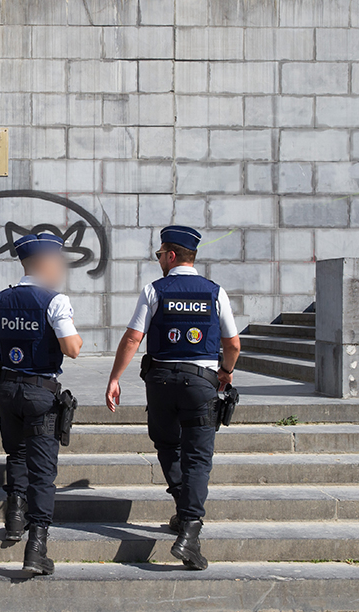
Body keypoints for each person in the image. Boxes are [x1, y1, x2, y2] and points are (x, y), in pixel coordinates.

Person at [104, 225, 241, 571]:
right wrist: (226, 371)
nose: (159, 260)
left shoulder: (155, 289)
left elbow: (133, 338)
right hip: (201, 383)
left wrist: (115, 378)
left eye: (160, 254)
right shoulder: (214, 291)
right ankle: (189, 532)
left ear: (171, 255)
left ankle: (184, 515)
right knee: (198, 457)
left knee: (168, 445)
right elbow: (233, 343)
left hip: (162, 380)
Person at [0, 233, 83, 576]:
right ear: (44, 263)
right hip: (41, 394)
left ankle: (14, 517)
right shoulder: (55, 301)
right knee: (43, 471)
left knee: (15, 453)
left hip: (7, 390)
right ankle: (36, 546)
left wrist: (0, 330)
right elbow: (72, 349)